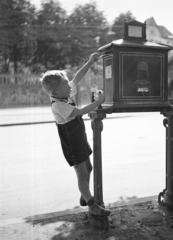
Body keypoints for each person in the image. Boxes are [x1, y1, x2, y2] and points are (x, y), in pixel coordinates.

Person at [40, 52, 110, 216]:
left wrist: (90, 61)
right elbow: (79, 112)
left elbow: (77, 78)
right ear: (55, 91)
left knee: (89, 167)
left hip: (79, 138)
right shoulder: (57, 105)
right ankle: (92, 205)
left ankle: (84, 196)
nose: (70, 86)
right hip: (72, 143)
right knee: (82, 172)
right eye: (66, 85)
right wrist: (97, 103)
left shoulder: (65, 94)